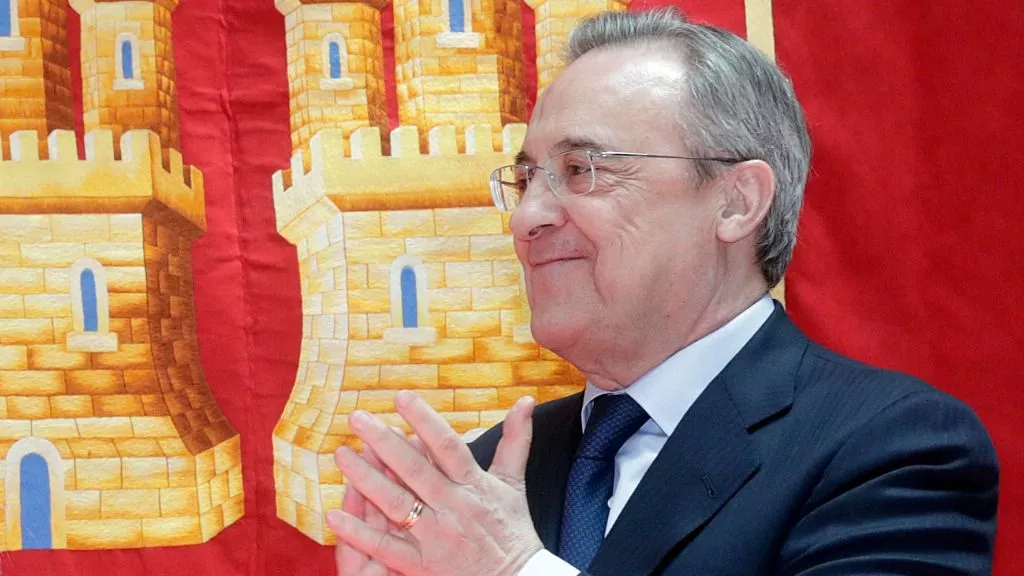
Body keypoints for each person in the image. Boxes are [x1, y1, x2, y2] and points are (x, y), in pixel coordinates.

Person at [325, 7, 1000, 575]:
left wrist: (516, 570)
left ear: (737, 201)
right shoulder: (490, 476)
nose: (527, 217)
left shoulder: (889, 449)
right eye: (527, 178)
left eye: (581, 169)